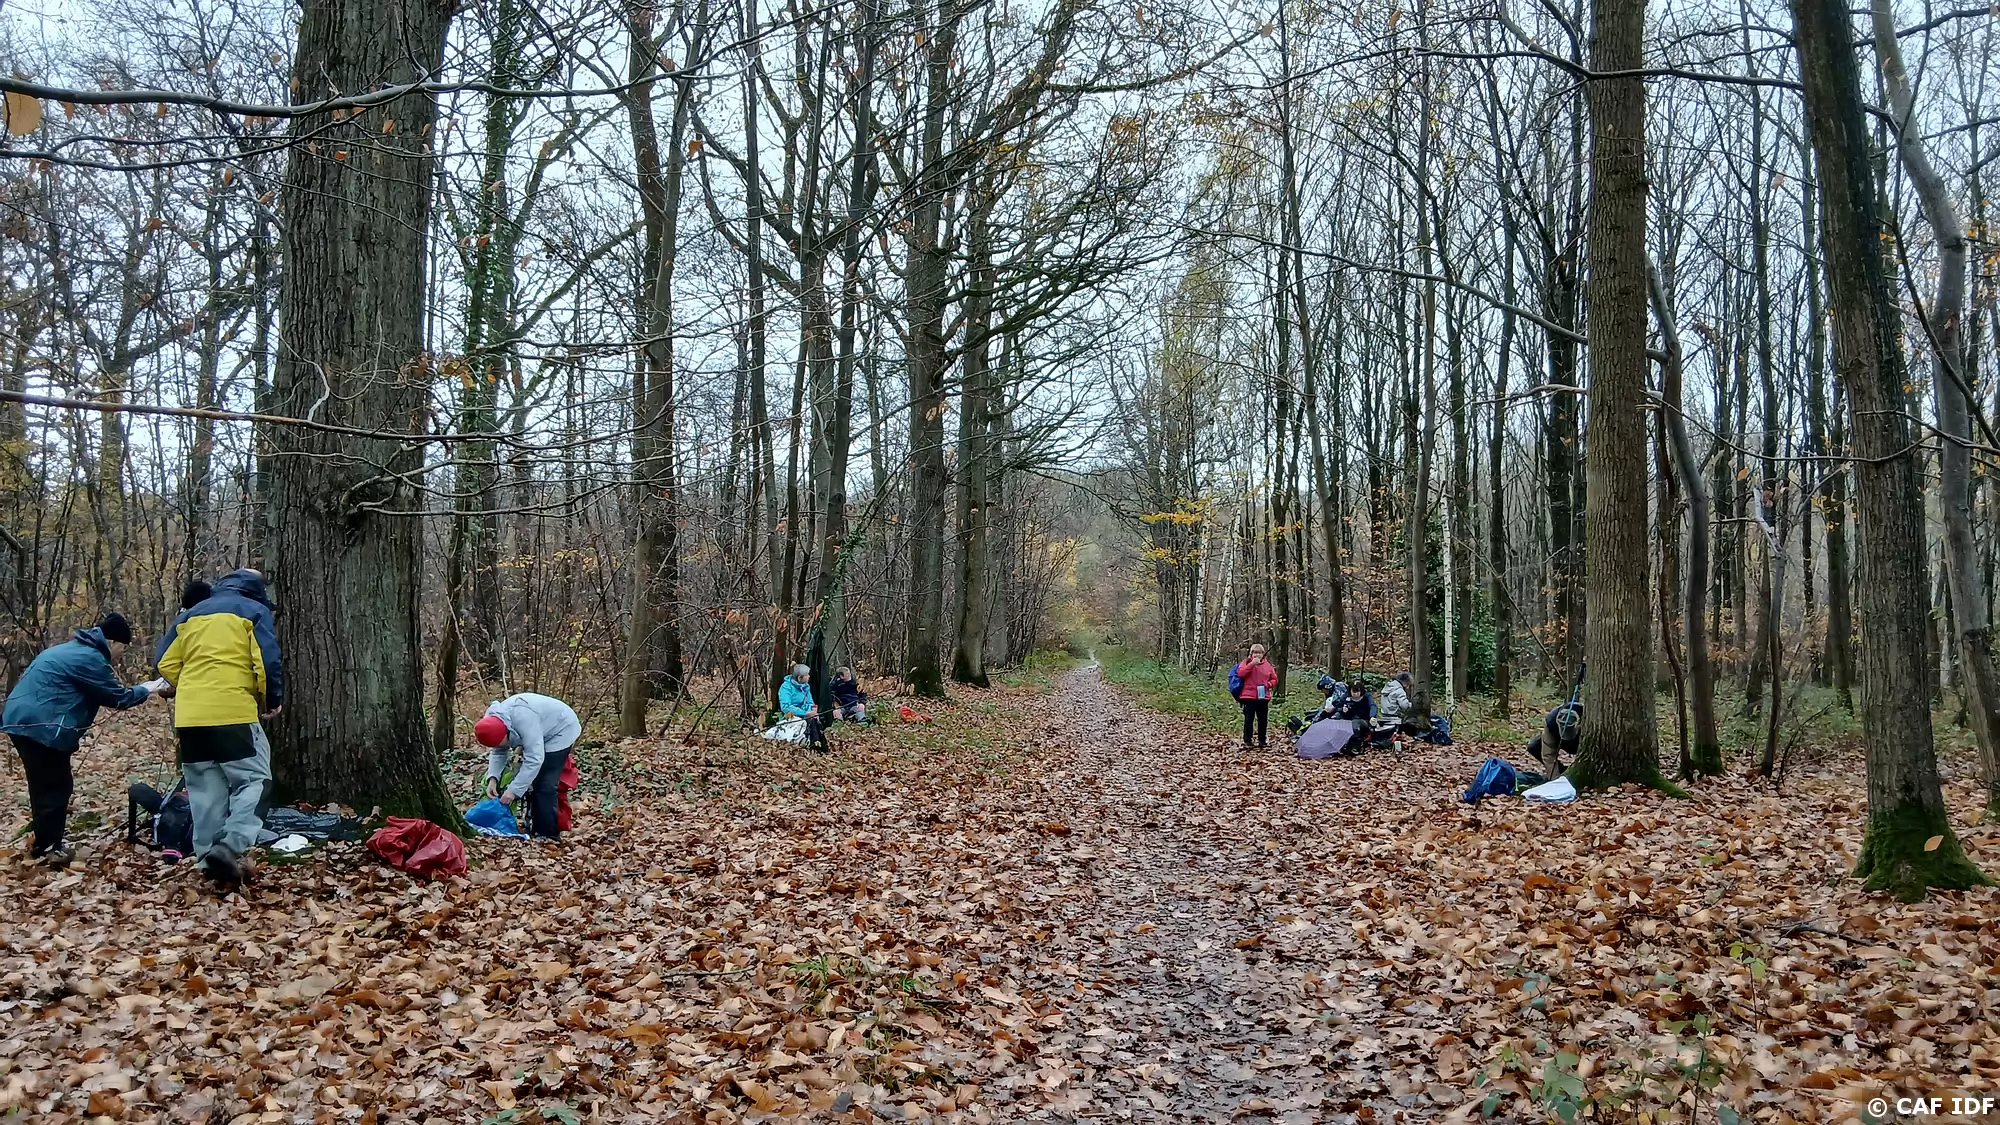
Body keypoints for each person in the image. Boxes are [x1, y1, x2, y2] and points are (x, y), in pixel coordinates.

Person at [155, 569, 283, 888]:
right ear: (254, 593)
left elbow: (166, 663)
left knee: (205, 791)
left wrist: (193, 682)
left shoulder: (192, 614)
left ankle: (208, 861)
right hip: (232, 711)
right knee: (255, 780)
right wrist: (270, 699)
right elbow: (266, 661)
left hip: (190, 716)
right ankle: (231, 846)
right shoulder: (254, 611)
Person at [2, 614, 164, 866]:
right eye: (123, 647)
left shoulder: (69, 650)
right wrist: (149, 688)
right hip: (41, 726)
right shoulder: (90, 659)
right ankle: (48, 849)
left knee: (46, 785)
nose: (121, 655)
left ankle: (45, 842)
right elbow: (118, 698)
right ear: (112, 642)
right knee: (55, 787)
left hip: (20, 720)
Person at [477, 692, 583, 841]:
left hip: (562, 729)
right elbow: (498, 752)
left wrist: (513, 791)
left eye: (504, 743)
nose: (502, 746)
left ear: (506, 732)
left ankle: (548, 834)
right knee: (534, 781)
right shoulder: (492, 722)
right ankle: (535, 824)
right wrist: (493, 778)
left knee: (545, 783)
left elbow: (534, 759)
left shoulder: (524, 719)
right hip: (539, 730)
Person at [1232, 643, 1278, 749]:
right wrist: (1252, 664)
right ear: (1251, 654)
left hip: (1263, 697)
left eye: (1259, 653)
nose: (1257, 655)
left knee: (1263, 720)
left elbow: (1274, 679)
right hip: (1249, 697)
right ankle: (1248, 741)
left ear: (1263, 654)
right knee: (1249, 720)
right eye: (1255, 652)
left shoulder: (1268, 665)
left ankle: (1262, 741)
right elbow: (1241, 674)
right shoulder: (1246, 663)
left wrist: (1269, 684)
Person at [778, 664, 830, 751]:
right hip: (792, 716)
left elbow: (810, 702)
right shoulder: (786, 688)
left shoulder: (806, 687)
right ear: (800, 678)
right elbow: (786, 707)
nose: (809, 676)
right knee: (812, 721)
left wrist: (812, 711)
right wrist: (805, 713)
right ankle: (816, 746)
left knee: (815, 721)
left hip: (807, 714)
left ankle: (821, 746)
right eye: (807, 675)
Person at [1526, 701, 1581, 775]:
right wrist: (1555, 780)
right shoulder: (1551, 723)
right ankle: (1563, 771)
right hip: (1559, 739)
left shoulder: (1589, 720)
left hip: (1579, 743)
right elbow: (1548, 755)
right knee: (1533, 747)